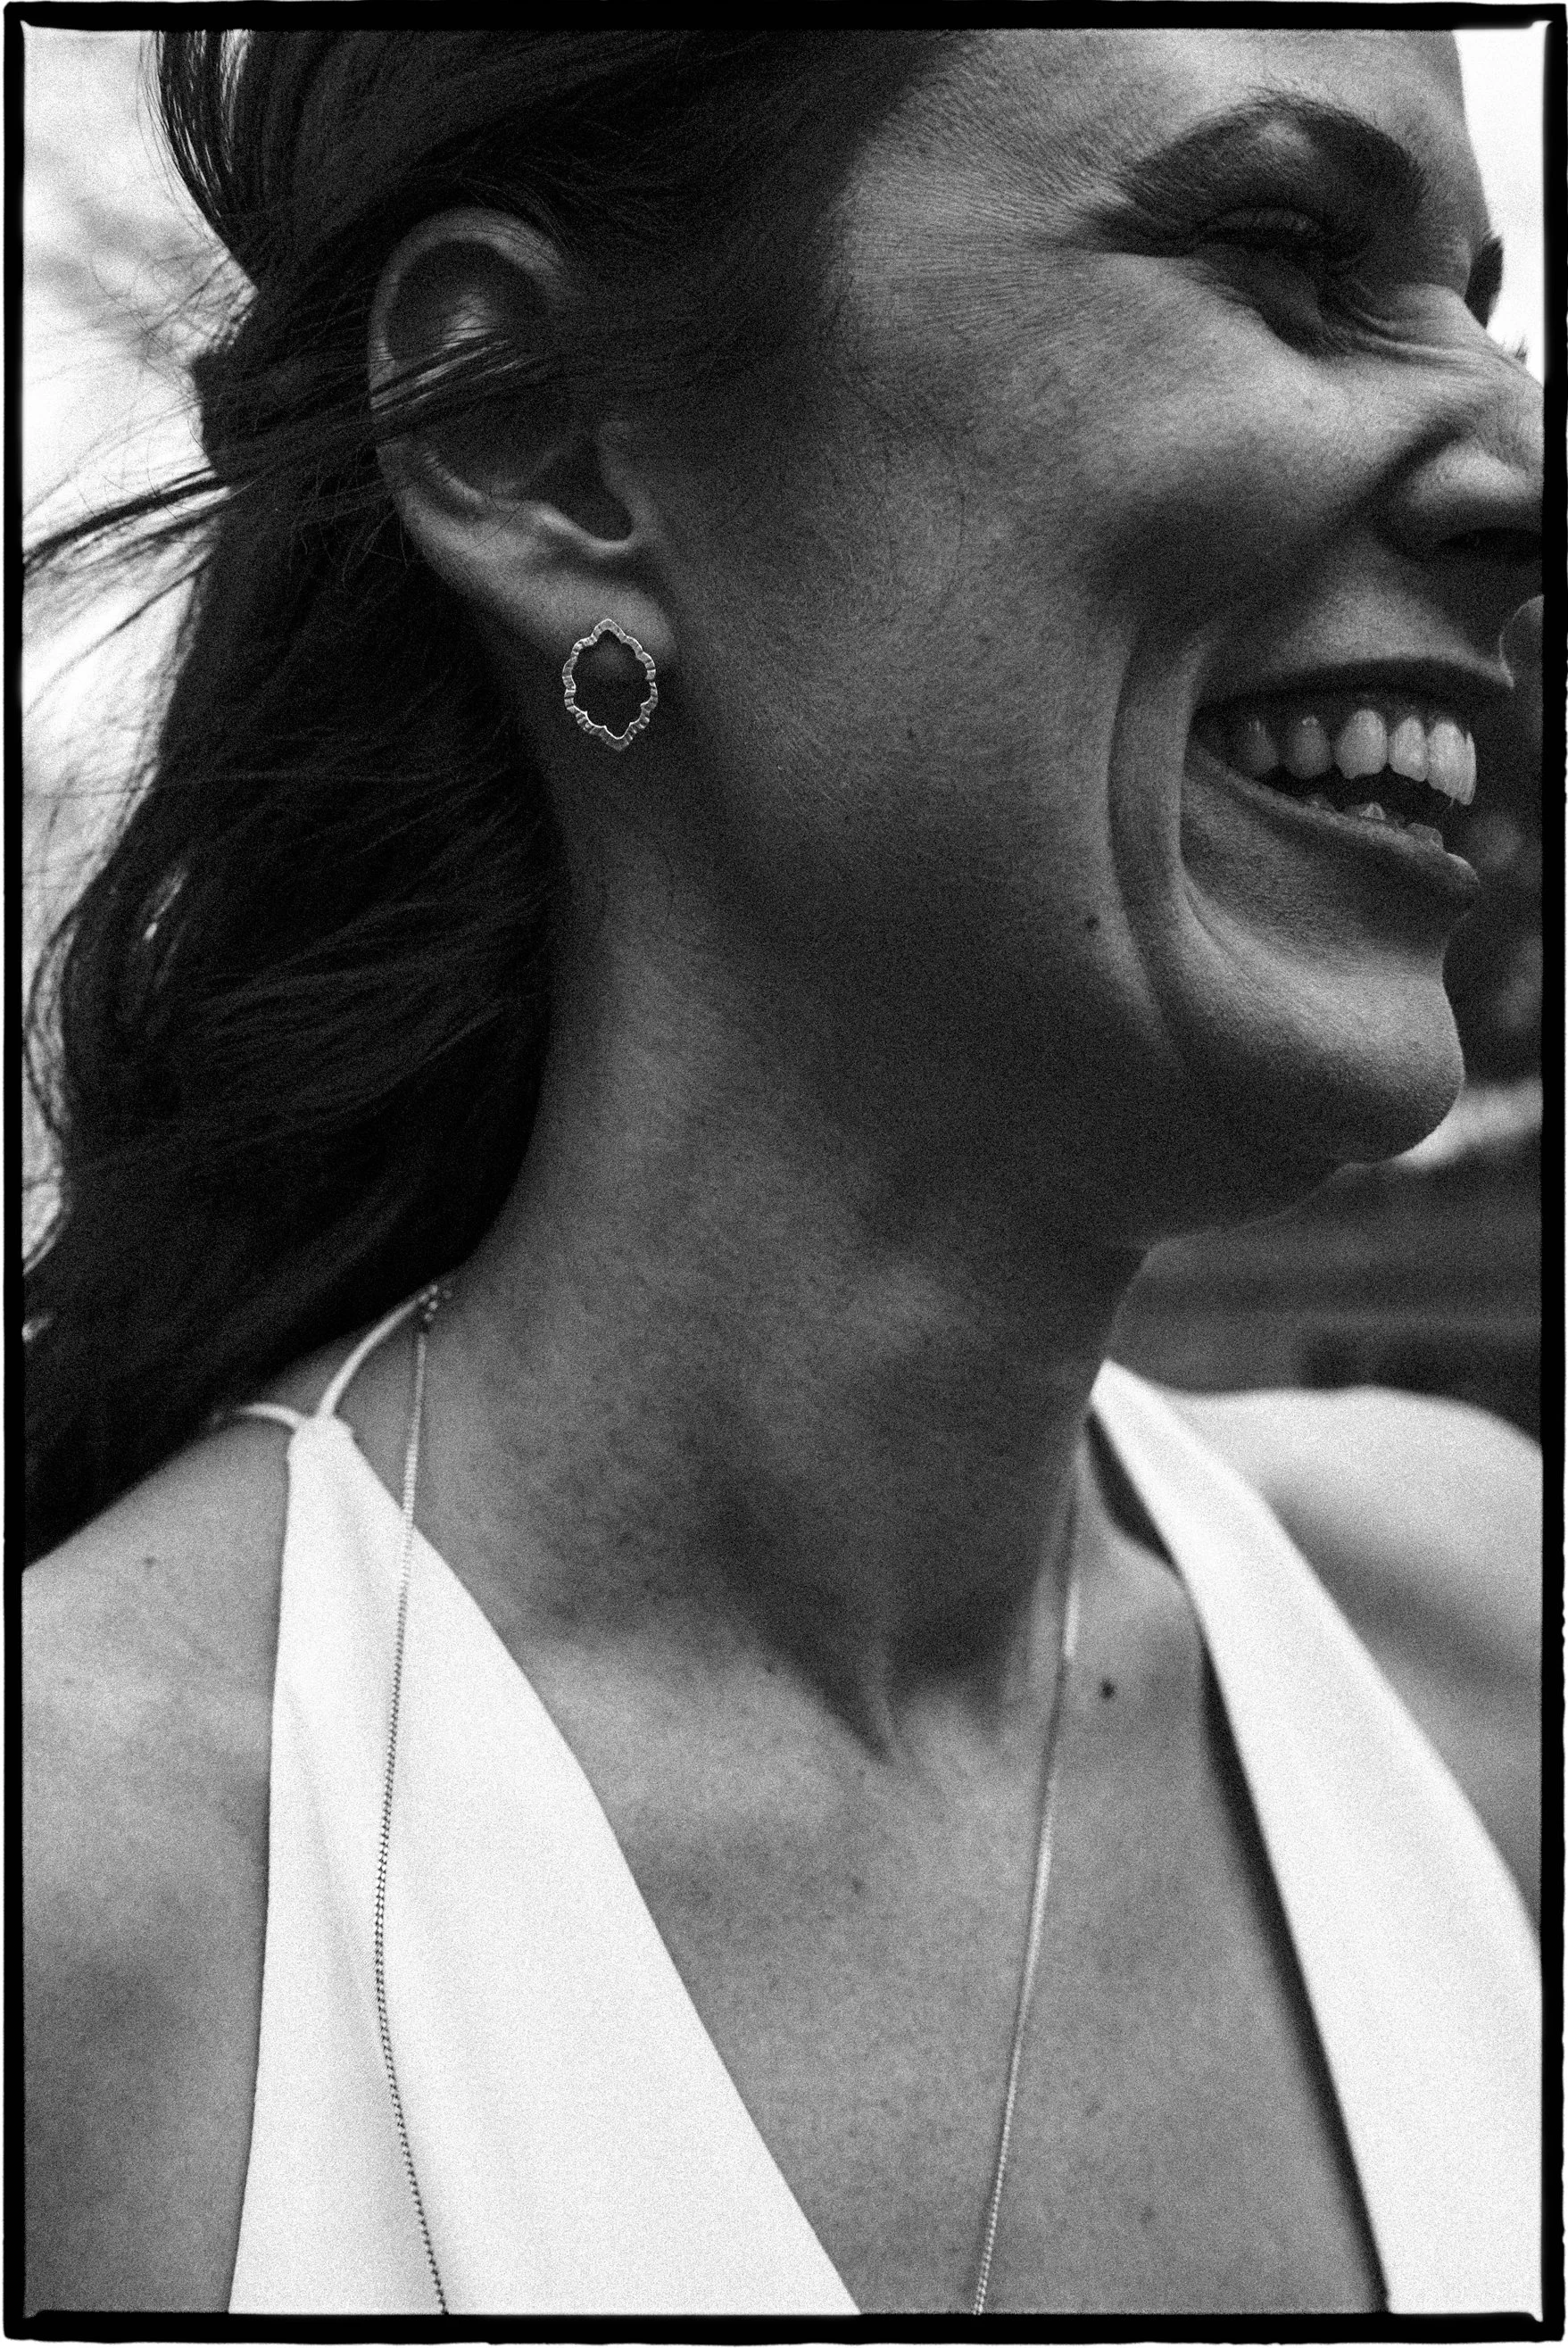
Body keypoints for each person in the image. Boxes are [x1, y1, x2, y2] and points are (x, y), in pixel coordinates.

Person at [22, 27, 1542, 2318]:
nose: (1517, 462)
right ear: (529, 437)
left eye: (1477, 302)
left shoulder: (1477, 1654)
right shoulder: (94, 1898)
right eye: (1281, 253)